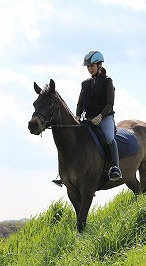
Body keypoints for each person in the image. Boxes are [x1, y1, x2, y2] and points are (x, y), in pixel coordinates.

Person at [52, 51, 122, 187]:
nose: (90, 68)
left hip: (104, 117)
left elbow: (110, 104)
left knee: (109, 138)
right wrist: (77, 115)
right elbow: (80, 103)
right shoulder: (85, 84)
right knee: (75, 139)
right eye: (88, 66)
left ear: (99, 65)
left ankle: (115, 168)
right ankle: (66, 173)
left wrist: (100, 116)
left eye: (92, 66)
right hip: (88, 119)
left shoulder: (107, 82)